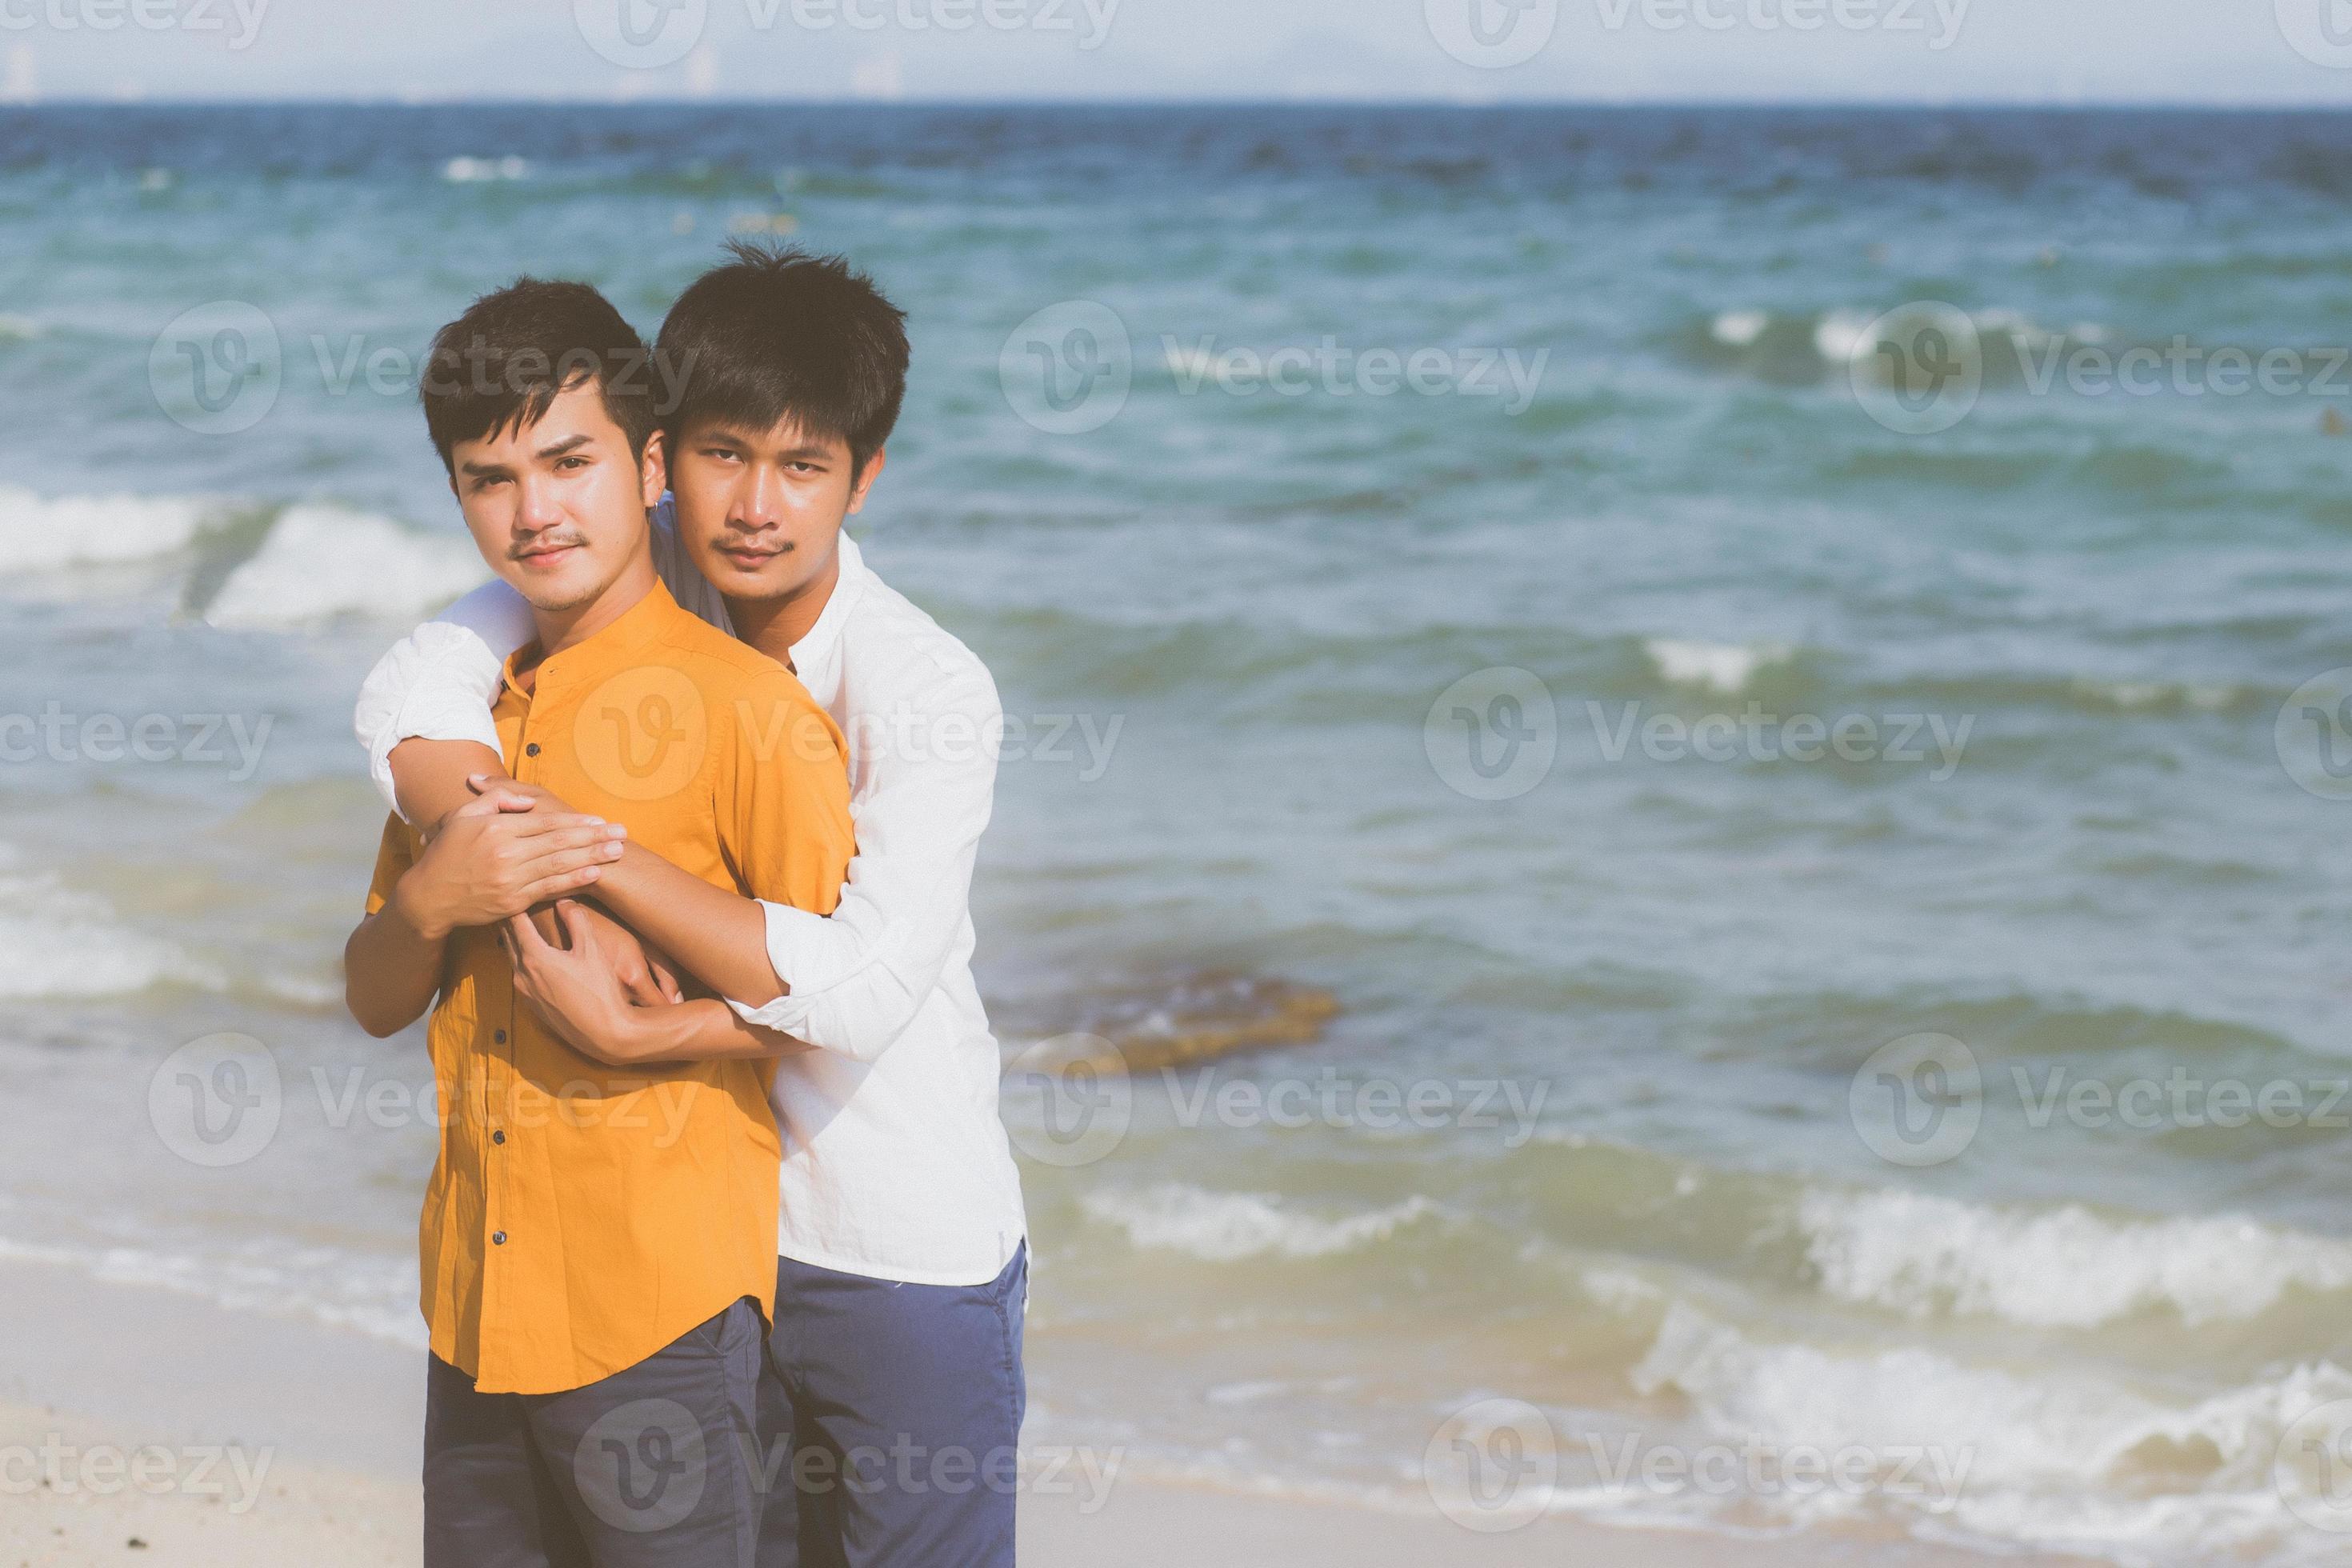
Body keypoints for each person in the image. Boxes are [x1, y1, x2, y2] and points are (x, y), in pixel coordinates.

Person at [353, 245, 1030, 1568]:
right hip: (715, 1238)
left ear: (863, 479)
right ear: (667, 458)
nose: (755, 507)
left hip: (892, 1236)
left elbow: (867, 991)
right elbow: (411, 686)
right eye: (725, 454)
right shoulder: (606, 578)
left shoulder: (925, 687)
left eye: (803, 467)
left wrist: (594, 903)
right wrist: (463, 850)